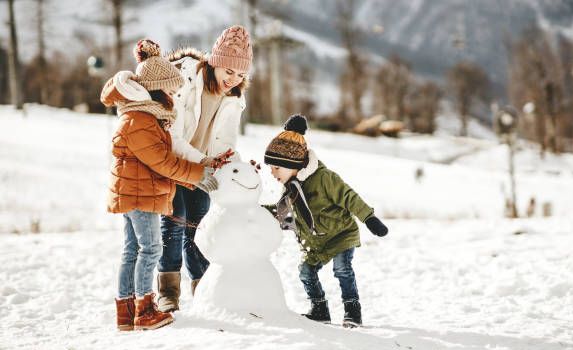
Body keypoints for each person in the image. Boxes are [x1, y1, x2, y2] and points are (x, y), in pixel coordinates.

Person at [100, 39, 226, 331]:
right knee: (151, 249)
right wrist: (197, 173)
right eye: (170, 89)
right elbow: (162, 161)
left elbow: (161, 160)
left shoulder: (146, 117)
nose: (174, 95)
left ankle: (126, 312)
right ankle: (145, 310)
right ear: (156, 88)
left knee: (133, 250)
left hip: (136, 192)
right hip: (138, 194)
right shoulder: (139, 120)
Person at [155, 25, 253, 312]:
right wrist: (201, 162)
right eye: (229, 71)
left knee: (198, 226)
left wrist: (239, 169)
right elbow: (172, 133)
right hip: (173, 162)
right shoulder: (185, 80)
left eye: (240, 75)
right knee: (174, 222)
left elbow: (226, 143)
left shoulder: (234, 98)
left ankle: (204, 287)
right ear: (215, 62)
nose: (233, 79)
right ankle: (168, 291)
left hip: (202, 168)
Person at [263, 114, 389, 328]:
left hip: (341, 235)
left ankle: (352, 310)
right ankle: (320, 309)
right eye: (271, 167)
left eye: (276, 167)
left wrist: (369, 218)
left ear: (293, 164)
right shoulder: (290, 188)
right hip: (316, 243)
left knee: (342, 269)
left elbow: (349, 196)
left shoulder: (324, 178)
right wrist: (254, 212)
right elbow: (282, 215)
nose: (272, 172)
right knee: (305, 272)